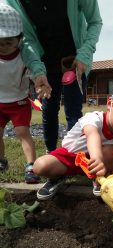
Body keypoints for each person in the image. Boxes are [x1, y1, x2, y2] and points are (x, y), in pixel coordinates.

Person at [7, 0, 103, 152]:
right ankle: (50, 151)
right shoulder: (13, 2)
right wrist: (37, 70)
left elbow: (95, 21)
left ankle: (73, 154)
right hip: (45, 61)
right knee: (49, 109)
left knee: (73, 110)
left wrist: (85, 52)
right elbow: (26, 39)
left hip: (75, 58)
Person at [33, 82, 113, 200]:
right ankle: (57, 177)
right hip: (69, 157)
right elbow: (92, 135)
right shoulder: (93, 118)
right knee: (39, 166)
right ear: (110, 104)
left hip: (92, 167)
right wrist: (97, 158)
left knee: (111, 151)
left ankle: (98, 180)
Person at [0, 3, 50, 183]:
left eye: (8, 42)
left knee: (22, 131)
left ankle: (31, 165)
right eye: (0, 43)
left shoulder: (24, 53)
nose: (4, 47)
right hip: (0, 101)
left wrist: (39, 78)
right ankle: (1, 161)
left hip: (19, 102)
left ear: (19, 39)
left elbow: (36, 65)